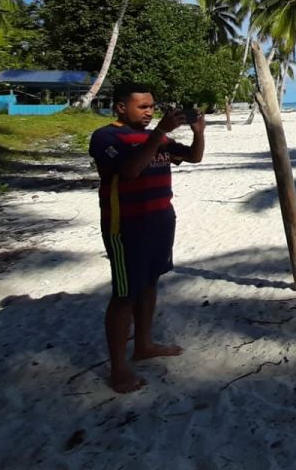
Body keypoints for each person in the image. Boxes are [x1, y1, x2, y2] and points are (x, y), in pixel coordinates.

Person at [88, 82, 205, 393]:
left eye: (152, 106)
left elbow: (193, 158)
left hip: (160, 218)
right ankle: (118, 367)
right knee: (125, 294)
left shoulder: (160, 137)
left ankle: (143, 344)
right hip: (125, 225)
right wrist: (156, 136)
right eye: (142, 106)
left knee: (151, 282)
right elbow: (129, 171)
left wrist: (199, 132)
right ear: (121, 108)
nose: (149, 111)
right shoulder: (106, 137)